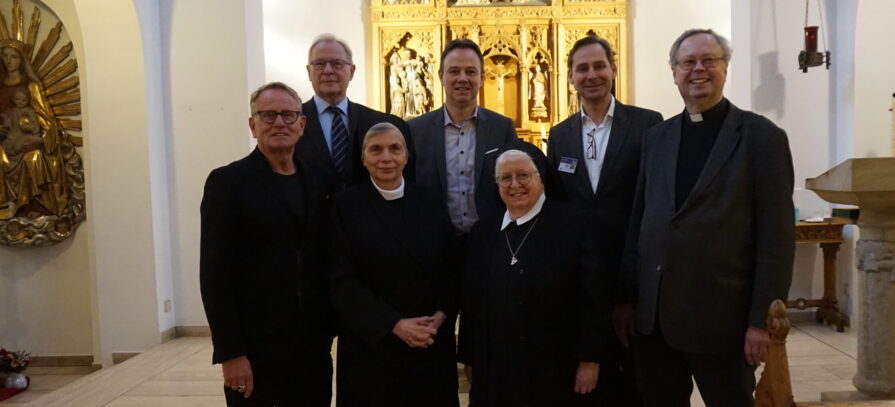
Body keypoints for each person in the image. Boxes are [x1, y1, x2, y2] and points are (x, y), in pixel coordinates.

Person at [614, 29, 795, 406]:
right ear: (674, 71)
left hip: (723, 322)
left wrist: (760, 320)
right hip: (656, 322)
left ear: (725, 68)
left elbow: (776, 239)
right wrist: (629, 299)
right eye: (688, 62)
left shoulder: (761, 138)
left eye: (709, 60)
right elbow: (639, 224)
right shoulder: (657, 138)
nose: (698, 69)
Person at [200, 82, 334, 406]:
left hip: (312, 349)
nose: (279, 123)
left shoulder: (320, 179)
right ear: (252, 125)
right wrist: (231, 353)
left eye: (289, 115)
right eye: (269, 115)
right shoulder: (227, 183)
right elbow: (215, 275)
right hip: (256, 351)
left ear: (302, 125)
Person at [547, 36, 662, 406]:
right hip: (581, 279)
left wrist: (631, 287)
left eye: (599, 66)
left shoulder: (647, 125)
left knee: (639, 379)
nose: (591, 75)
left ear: (614, 68)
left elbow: (652, 204)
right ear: (570, 76)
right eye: (582, 68)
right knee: (589, 382)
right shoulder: (559, 135)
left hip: (635, 271)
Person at [460, 145, 607, 407]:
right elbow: (472, 301)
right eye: (505, 177)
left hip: (555, 367)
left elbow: (593, 297)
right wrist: (471, 358)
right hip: (496, 368)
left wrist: (590, 359)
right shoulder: (484, 231)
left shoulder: (575, 224)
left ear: (540, 177)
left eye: (523, 175)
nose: (514, 184)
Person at [329, 122, 459, 406]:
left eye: (394, 148)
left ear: (406, 155)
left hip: (429, 340)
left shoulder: (429, 201)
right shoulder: (344, 206)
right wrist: (395, 325)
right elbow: (341, 280)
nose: (385, 157)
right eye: (375, 149)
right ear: (363, 159)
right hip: (373, 345)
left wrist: (441, 313)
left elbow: (451, 267)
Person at [408, 38, 517, 237]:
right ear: (441, 76)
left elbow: (513, 186)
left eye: (471, 71)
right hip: (434, 240)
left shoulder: (502, 128)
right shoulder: (415, 130)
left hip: (489, 240)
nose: (462, 78)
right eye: (454, 71)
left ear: (482, 78)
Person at [295, 33, 415, 194]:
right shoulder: (291, 123)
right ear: (309, 71)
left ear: (351, 71)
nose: (328, 70)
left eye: (337, 63)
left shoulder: (384, 123)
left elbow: (405, 184)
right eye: (319, 64)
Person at [0, 43, 67, 218]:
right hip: (4, 141)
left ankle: (28, 207)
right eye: (5, 55)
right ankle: (4, 206)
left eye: (14, 56)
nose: (9, 61)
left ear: (22, 60)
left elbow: (45, 118)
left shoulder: (31, 86)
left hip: (27, 141)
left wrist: (36, 133)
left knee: (34, 157)